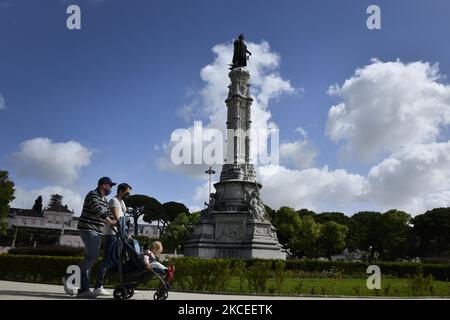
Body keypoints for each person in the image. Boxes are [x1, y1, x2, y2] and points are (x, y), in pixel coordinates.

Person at [74, 177, 117, 298]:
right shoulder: (93, 194)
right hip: (88, 228)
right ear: (104, 185)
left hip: (97, 231)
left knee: (89, 259)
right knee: (93, 257)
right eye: (110, 186)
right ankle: (72, 275)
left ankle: (83, 290)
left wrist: (117, 221)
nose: (111, 189)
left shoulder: (104, 199)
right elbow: (97, 209)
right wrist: (109, 221)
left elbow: (108, 213)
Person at [93, 183, 132, 296]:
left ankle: (124, 285)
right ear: (120, 191)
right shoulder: (114, 201)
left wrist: (127, 232)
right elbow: (118, 219)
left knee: (118, 260)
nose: (128, 195)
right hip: (111, 234)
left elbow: (123, 220)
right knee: (108, 260)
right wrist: (122, 227)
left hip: (119, 234)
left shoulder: (122, 203)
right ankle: (98, 286)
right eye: (127, 193)